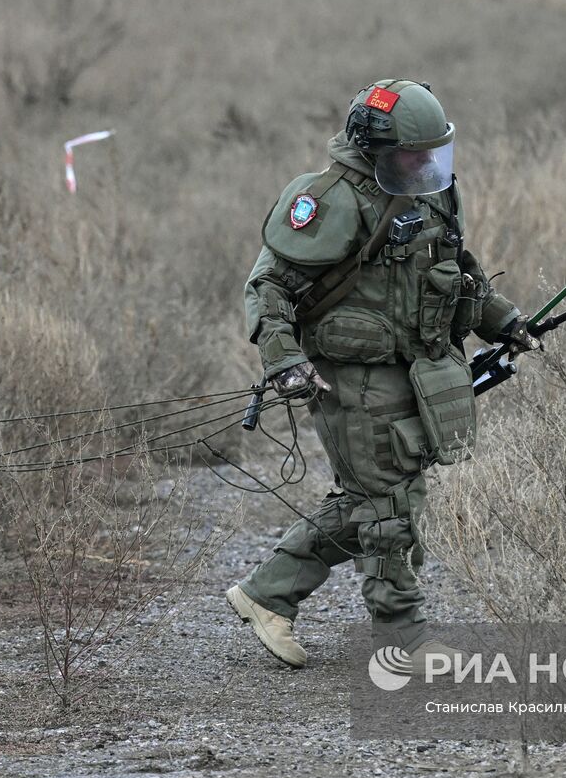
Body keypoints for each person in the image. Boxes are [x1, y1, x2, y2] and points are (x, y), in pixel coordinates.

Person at [226, 79, 538, 668]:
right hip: (349, 377)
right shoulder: (328, 199)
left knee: (381, 498)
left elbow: (457, 268)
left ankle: (267, 594)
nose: (424, 164)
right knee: (388, 506)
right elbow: (269, 287)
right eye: (409, 154)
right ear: (373, 147)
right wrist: (285, 362)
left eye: (431, 153)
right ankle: (401, 636)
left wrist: (501, 320)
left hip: (415, 370)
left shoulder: (433, 192)